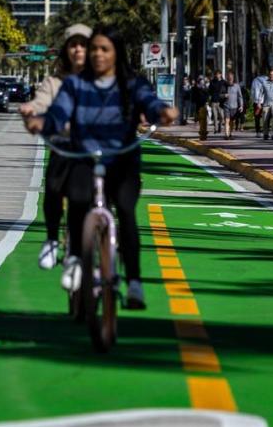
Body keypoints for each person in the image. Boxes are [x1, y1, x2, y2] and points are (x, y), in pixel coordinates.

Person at [25, 28, 178, 309]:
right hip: (85, 157)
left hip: (123, 160)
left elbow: (150, 102)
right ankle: (73, 259)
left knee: (126, 211)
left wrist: (162, 113)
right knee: (78, 202)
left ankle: (134, 282)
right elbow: (59, 112)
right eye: (93, 48)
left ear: (116, 53)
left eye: (104, 49)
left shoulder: (132, 83)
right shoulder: (75, 85)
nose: (96, 54)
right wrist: (42, 123)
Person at [20, 23, 92, 271]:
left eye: (83, 45)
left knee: (82, 198)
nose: (78, 50)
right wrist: (31, 110)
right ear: (66, 50)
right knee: (53, 188)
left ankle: (81, 251)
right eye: (73, 45)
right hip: (64, 147)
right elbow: (40, 102)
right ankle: (52, 240)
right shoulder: (54, 82)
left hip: (94, 149)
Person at [222, 71, 243, 139]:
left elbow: (240, 96)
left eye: (231, 78)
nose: (230, 79)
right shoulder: (224, 86)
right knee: (227, 120)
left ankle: (230, 133)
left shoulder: (237, 86)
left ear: (233, 78)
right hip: (226, 106)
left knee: (232, 122)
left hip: (234, 106)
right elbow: (219, 94)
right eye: (228, 78)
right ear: (227, 78)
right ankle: (226, 135)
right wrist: (224, 95)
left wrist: (241, 105)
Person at [191, 76, 210, 141]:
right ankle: (202, 134)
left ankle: (203, 134)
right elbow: (193, 97)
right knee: (201, 120)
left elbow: (207, 95)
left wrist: (207, 101)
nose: (202, 82)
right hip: (198, 106)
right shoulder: (195, 88)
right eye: (200, 80)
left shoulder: (205, 88)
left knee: (204, 120)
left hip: (204, 105)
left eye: (202, 81)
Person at [208, 71, 227, 135]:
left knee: (222, 116)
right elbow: (209, 91)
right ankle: (215, 129)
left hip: (220, 101)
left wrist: (225, 96)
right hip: (213, 101)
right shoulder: (212, 82)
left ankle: (219, 125)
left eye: (218, 74)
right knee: (215, 117)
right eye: (216, 74)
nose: (217, 75)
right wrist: (209, 100)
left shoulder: (223, 82)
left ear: (220, 75)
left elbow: (226, 90)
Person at [251, 72, 267, 136]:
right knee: (266, 117)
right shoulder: (268, 79)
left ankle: (258, 132)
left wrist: (253, 100)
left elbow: (252, 91)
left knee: (257, 117)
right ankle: (265, 131)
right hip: (265, 101)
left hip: (256, 101)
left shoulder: (255, 80)